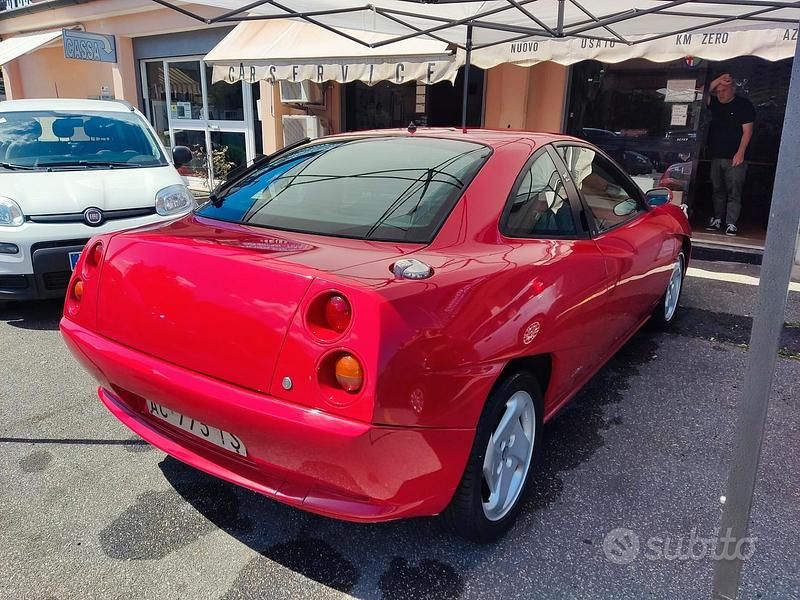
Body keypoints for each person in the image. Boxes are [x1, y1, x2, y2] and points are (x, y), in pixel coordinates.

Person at [705, 73, 756, 236]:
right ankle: (717, 219)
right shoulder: (714, 104)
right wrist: (718, 80)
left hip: (735, 157)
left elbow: (747, 131)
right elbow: (700, 95)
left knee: (734, 189)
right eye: (718, 90)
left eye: (724, 90)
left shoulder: (743, 105)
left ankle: (731, 222)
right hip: (716, 155)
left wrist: (740, 153)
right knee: (717, 189)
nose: (720, 93)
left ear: (733, 89)